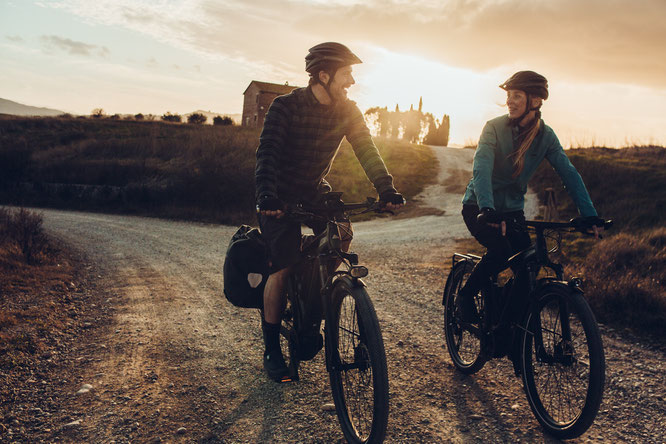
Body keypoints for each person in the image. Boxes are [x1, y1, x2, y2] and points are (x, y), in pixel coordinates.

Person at [255, 42, 405, 382]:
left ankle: (311, 302)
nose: (351, 81)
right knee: (282, 265)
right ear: (323, 75)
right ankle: (271, 348)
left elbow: (367, 148)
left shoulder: (348, 110)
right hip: (276, 194)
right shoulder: (285, 107)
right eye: (346, 74)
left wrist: (386, 188)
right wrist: (267, 194)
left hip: (312, 189)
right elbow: (267, 154)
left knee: (341, 237)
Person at [458, 70, 604, 324]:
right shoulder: (494, 127)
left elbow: (568, 173)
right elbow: (481, 168)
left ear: (535, 101)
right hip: (479, 207)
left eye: (517, 96)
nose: (510, 101)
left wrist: (589, 214)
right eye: (509, 96)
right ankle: (466, 296)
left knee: (528, 270)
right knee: (501, 251)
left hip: (513, 212)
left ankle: (506, 322)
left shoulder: (546, 137)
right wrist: (487, 208)